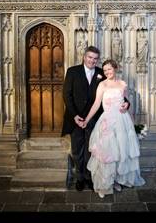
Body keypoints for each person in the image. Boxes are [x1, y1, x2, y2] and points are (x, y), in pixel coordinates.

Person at [62, 46, 130, 192]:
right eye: (90, 57)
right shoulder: (72, 71)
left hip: (94, 119)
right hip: (75, 118)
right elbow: (67, 96)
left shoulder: (101, 72)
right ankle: (80, 178)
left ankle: (90, 178)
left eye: (95, 58)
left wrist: (127, 103)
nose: (92, 60)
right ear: (84, 57)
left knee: (92, 150)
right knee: (77, 150)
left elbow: (115, 91)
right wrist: (75, 115)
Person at [82, 60, 145, 198]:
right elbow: (96, 104)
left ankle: (117, 179)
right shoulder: (102, 85)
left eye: (109, 69)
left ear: (115, 68)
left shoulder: (122, 84)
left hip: (122, 121)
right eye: (104, 70)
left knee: (121, 151)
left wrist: (127, 107)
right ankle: (104, 184)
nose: (107, 73)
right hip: (108, 121)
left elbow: (126, 102)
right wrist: (86, 119)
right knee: (107, 152)